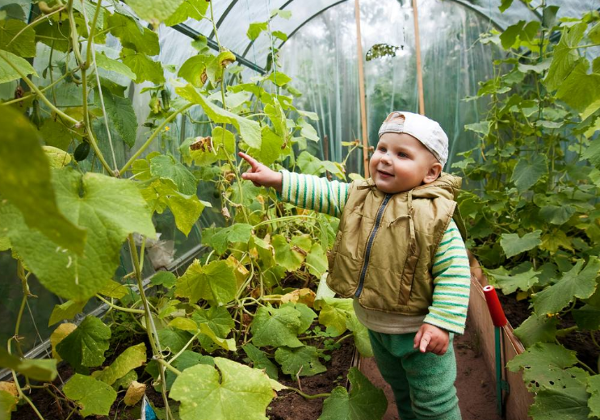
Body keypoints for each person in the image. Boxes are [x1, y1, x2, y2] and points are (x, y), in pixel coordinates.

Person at [239, 111, 469, 420]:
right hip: (377, 325)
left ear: (431, 172)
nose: (385, 159)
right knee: (399, 388)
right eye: (382, 149)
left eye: (401, 154)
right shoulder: (359, 196)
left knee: (433, 400)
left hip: (419, 333)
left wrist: (441, 321)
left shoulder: (435, 218)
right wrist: (277, 179)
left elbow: (455, 271)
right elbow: (320, 191)